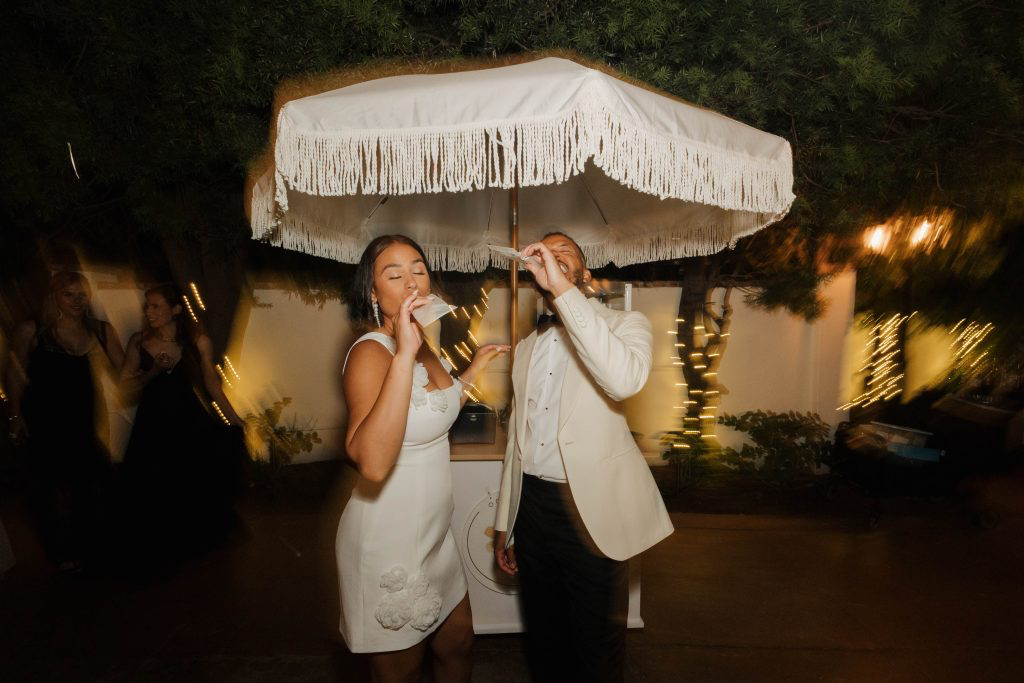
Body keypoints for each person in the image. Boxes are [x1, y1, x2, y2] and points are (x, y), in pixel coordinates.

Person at [492, 233, 674, 683]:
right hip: (532, 506)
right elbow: (519, 440)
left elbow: (622, 380)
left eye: (563, 253)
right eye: (542, 254)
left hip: (589, 509)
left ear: (584, 273)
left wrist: (565, 294)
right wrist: (506, 521)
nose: (551, 257)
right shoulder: (527, 348)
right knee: (543, 639)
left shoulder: (626, 325)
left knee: (595, 645)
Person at [337, 235, 508, 683]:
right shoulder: (371, 353)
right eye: (393, 274)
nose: (411, 280)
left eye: (418, 269)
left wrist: (471, 371)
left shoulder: (423, 344)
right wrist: (405, 353)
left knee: (458, 643)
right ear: (375, 294)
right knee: (402, 670)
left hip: (435, 537)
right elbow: (371, 462)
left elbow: (430, 410)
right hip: (389, 538)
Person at [6, 270, 125, 573]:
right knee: (50, 487)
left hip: (82, 417)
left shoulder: (98, 330)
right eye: (68, 294)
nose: (77, 300)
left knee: (92, 482)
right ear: (54, 296)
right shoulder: (33, 331)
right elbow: (16, 375)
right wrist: (16, 415)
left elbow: (126, 372)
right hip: (46, 419)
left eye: (81, 294)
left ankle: (90, 546)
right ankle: (60, 551)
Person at [119, 283, 245, 560]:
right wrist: (153, 371)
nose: (149, 312)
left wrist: (234, 419)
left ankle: (189, 542)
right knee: (152, 484)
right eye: (147, 306)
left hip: (187, 422)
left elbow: (212, 385)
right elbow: (123, 388)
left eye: (156, 306)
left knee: (190, 480)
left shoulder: (197, 341)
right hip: (152, 424)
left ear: (175, 309)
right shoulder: (139, 342)